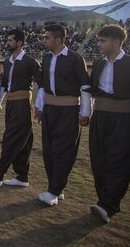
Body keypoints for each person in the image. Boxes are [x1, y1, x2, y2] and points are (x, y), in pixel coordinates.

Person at [87, 24, 130, 222]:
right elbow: (91, 91)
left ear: (116, 42)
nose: (99, 44)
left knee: (120, 161)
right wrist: (85, 113)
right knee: (98, 159)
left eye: (102, 41)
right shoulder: (97, 64)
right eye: (98, 40)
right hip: (100, 118)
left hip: (123, 120)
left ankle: (108, 205)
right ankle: (104, 200)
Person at [34, 24, 91, 206]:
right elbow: (43, 85)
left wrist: (85, 111)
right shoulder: (47, 58)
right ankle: (56, 187)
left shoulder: (75, 59)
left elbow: (85, 86)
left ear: (58, 39)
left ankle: (54, 191)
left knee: (63, 150)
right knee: (49, 149)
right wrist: (40, 106)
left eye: (47, 38)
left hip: (68, 110)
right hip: (50, 109)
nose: (44, 40)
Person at [0, 29, 42, 187]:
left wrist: (39, 106)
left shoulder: (30, 62)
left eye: (11, 40)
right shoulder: (7, 62)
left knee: (11, 139)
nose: (7, 43)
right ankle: (22, 177)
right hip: (11, 104)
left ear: (20, 42)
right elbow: (3, 86)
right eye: (7, 40)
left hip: (23, 105)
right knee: (24, 140)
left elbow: (42, 85)